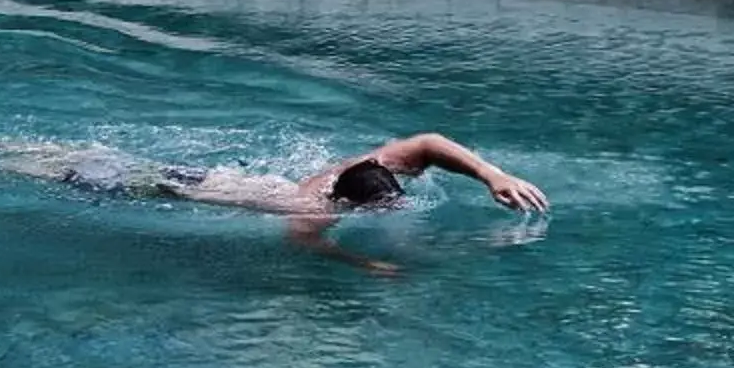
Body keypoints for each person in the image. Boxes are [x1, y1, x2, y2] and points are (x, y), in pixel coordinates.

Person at [145, 133, 548, 219]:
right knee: (131, 181)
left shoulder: (379, 163)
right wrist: (362, 262)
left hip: (220, 176)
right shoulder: (313, 209)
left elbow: (429, 142)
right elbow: (304, 244)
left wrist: (491, 175)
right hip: (194, 189)